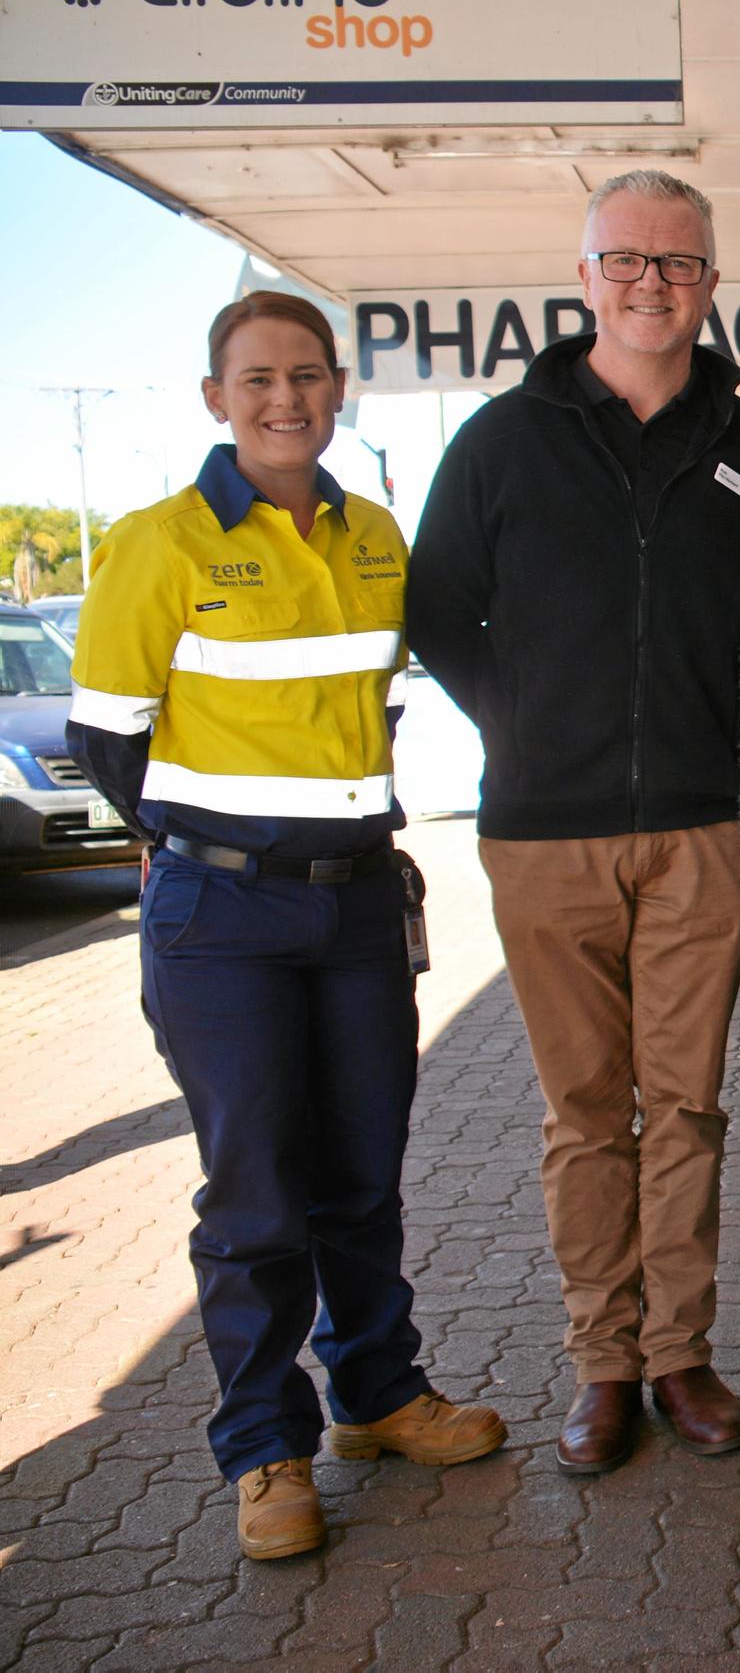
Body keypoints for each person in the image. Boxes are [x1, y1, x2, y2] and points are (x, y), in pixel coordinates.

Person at [66, 292, 504, 1560]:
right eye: (257, 379)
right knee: (256, 1193)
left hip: (360, 900)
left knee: (362, 1173)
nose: (285, 399)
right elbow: (108, 738)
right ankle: (266, 1450)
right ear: (216, 397)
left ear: (336, 389)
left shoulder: (372, 533)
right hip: (223, 911)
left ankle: (378, 1395)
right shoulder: (159, 545)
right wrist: (210, 843)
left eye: (308, 375)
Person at [406, 170, 740, 1474]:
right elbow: (439, 610)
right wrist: (521, 725)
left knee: (684, 1109)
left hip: (702, 829)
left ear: (708, 280)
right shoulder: (502, 441)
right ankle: (602, 1362)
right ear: (584, 277)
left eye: (677, 263)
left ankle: (681, 1353)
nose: (650, 281)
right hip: (540, 836)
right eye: (625, 258)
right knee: (585, 1112)